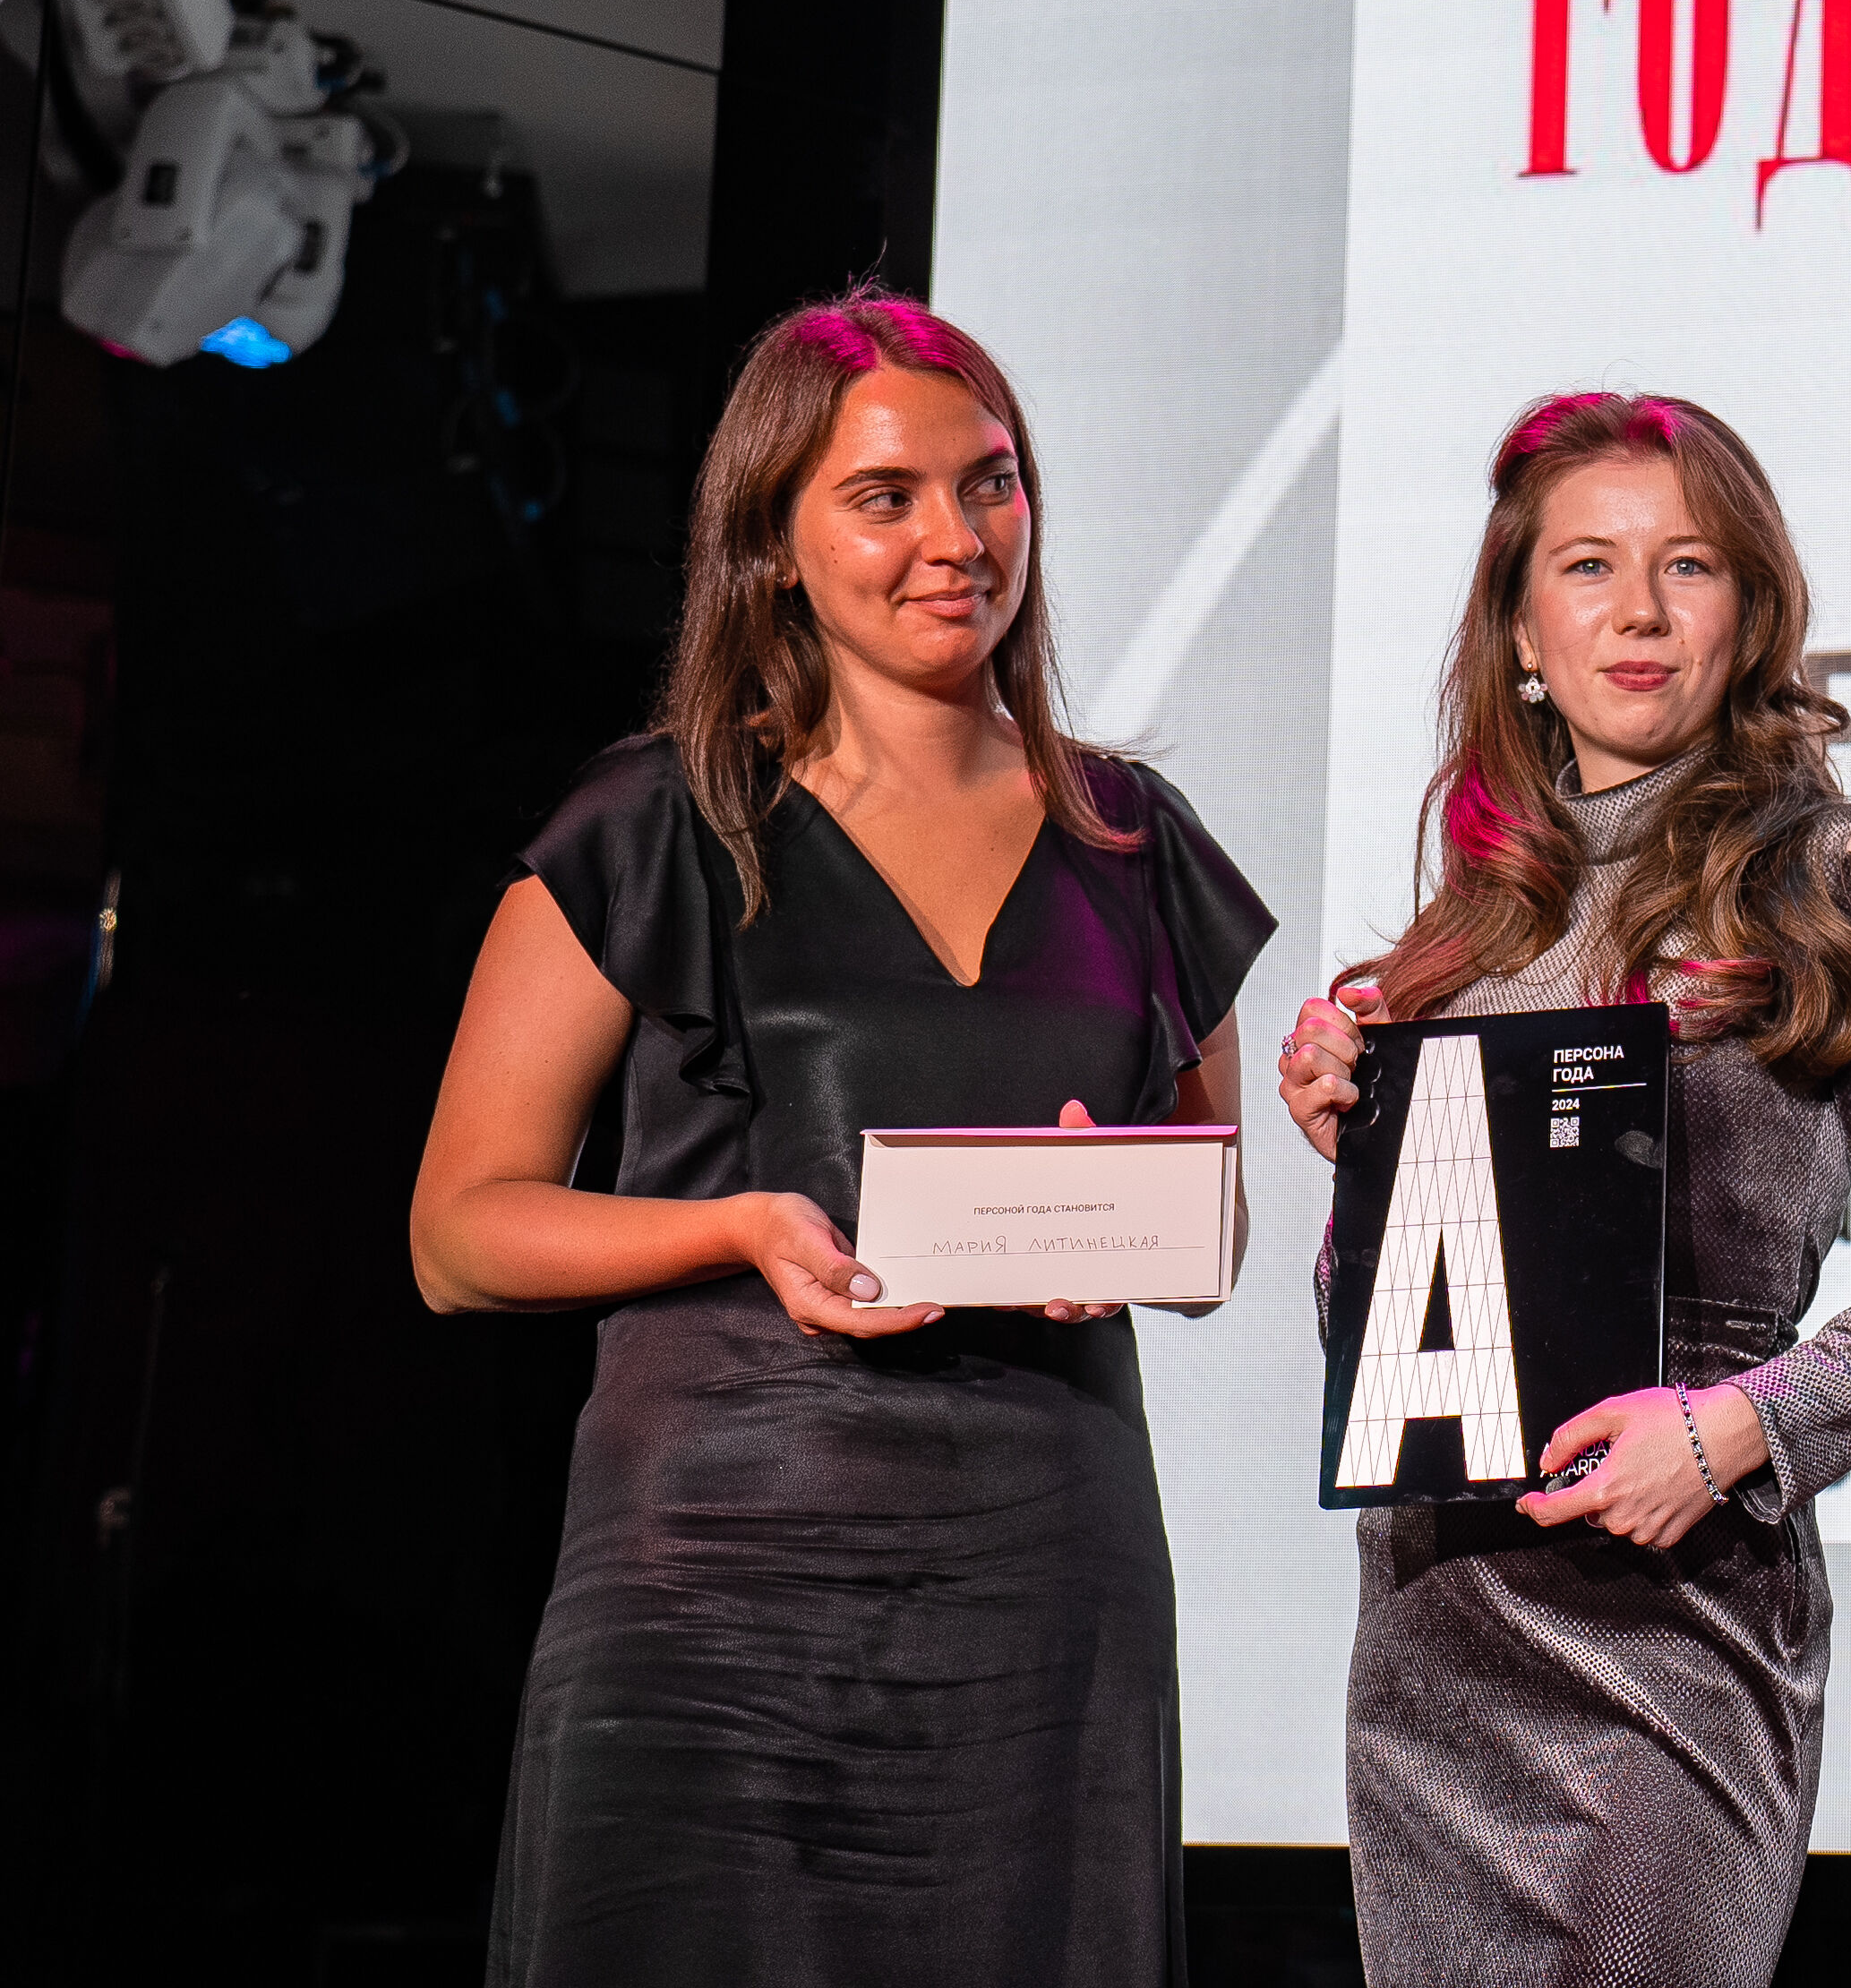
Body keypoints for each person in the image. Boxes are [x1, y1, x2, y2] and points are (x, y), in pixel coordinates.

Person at [411, 288, 1275, 1988]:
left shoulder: (1134, 838)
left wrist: (1113, 1226)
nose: (957, 539)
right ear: (775, 546)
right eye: (887, 497)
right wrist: (739, 1228)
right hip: (719, 1581)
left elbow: (1211, 1230)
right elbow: (457, 1235)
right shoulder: (655, 820)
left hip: (1044, 1577)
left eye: (991, 483)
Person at [1273, 390, 1851, 1988]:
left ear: (1749, 609)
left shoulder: (1837, 872)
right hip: (1439, 1630)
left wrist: (1737, 1430)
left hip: (1680, 1614)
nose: (1641, 611)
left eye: (1689, 565)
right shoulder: (1461, 929)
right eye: (1590, 566)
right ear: (1521, 627)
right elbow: (1376, 1333)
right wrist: (1362, 1166)